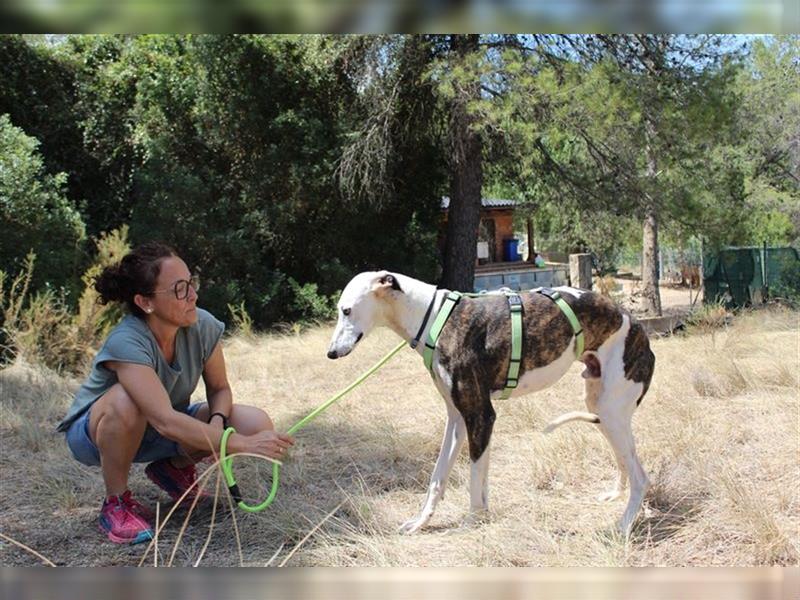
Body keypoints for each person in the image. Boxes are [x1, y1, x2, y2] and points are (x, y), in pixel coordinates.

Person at [57, 242, 294, 544]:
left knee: (254, 421)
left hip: (158, 427)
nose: (193, 295)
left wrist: (218, 424)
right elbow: (165, 420)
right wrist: (239, 443)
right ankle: (115, 503)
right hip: (97, 432)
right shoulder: (127, 341)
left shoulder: (202, 324)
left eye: (191, 283)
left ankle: (173, 469)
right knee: (125, 399)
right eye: (179, 289)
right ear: (145, 303)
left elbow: (219, 389)